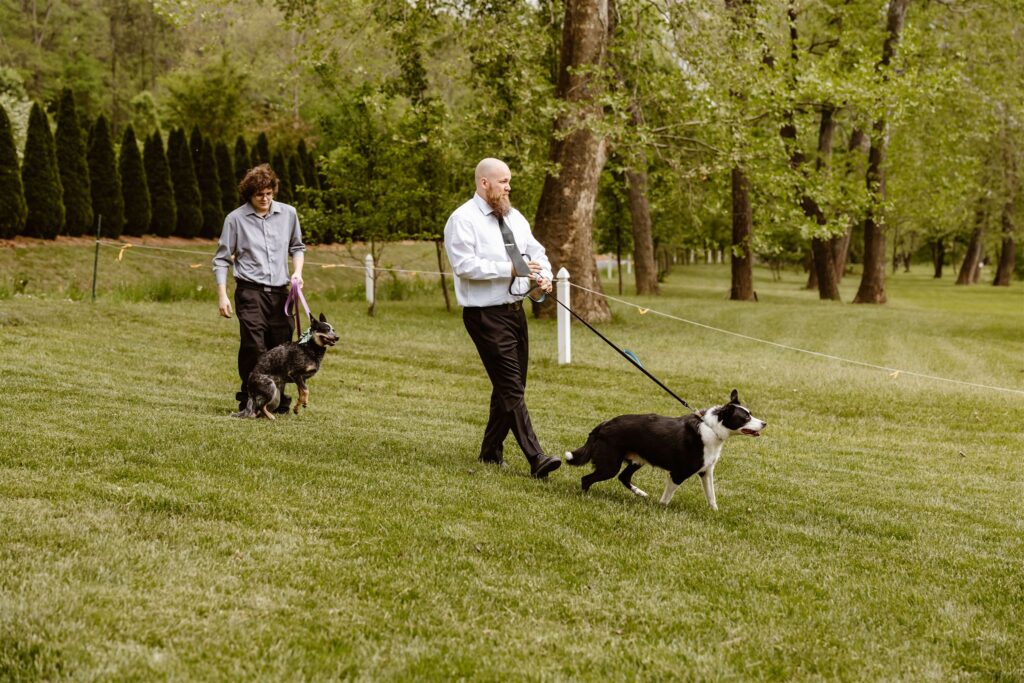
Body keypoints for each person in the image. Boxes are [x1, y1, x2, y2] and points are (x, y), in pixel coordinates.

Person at [443, 158, 561, 479]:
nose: (508, 186)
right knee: (511, 387)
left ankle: (490, 451)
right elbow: (465, 266)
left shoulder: (515, 217)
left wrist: (544, 277)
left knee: (510, 385)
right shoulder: (462, 220)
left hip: (514, 312)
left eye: (509, 181)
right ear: (484, 183)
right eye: (503, 181)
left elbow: (536, 253)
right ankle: (536, 456)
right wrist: (511, 269)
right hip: (484, 315)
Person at [213, 163, 305, 412]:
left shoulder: (289, 214)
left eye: (269, 193)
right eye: (259, 195)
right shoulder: (235, 219)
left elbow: (297, 247)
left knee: (280, 346)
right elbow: (221, 260)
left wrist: (297, 273)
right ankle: (250, 399)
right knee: (254, 345)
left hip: (280, 294)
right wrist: (222, 296)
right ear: (249, 195)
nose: (265, 199)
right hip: (249, 291)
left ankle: (277, 402)